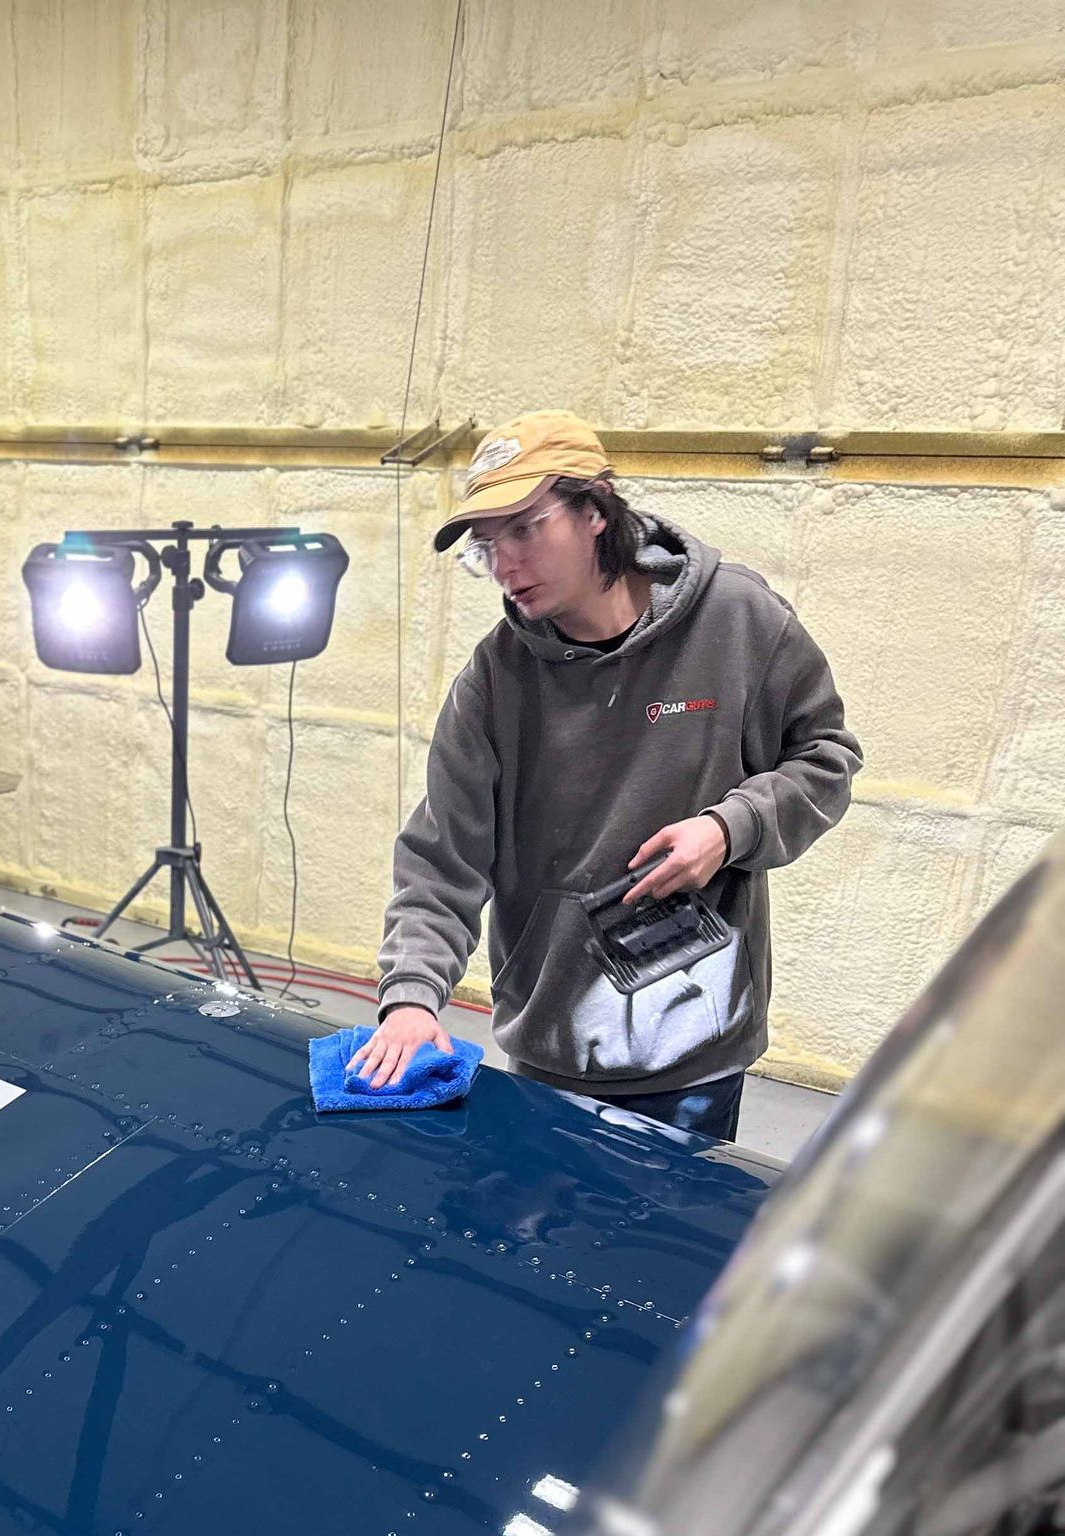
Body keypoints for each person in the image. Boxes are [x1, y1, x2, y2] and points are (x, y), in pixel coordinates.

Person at [359, 411, 861, 1142]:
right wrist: (410, 997)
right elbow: (442, 860)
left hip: (697, 1047)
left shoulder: (738, 620)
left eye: (525, 529)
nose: (506, 565)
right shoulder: (495, 682)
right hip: (554, 1044)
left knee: (670, 1250)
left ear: (596, 508)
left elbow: (826, 756)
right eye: (486, 546)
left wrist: (730, 828)